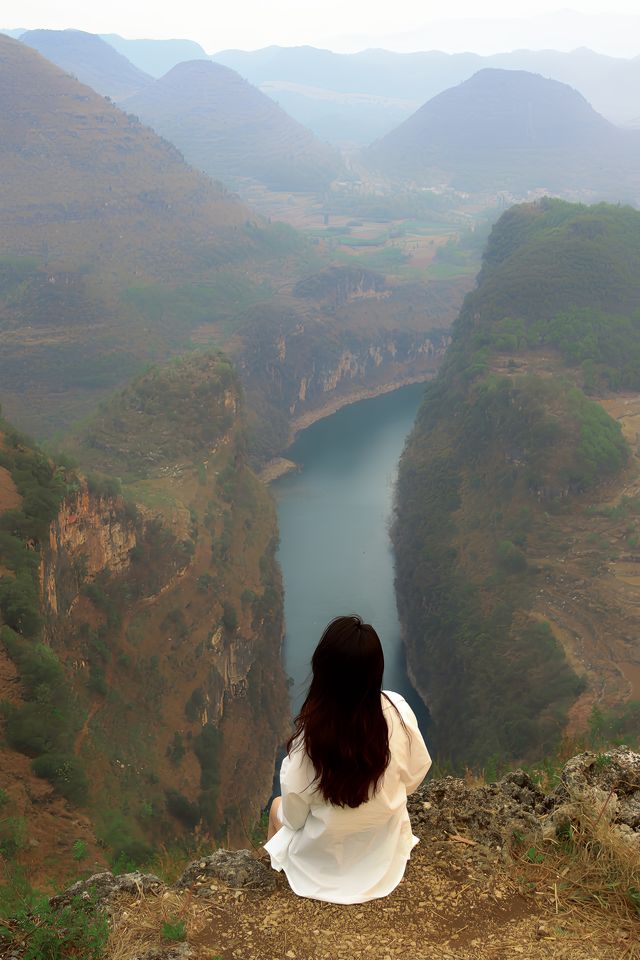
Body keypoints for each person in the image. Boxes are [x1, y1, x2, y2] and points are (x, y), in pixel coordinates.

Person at [264, 614, 431, 904]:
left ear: (324, 672)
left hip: (322, 870)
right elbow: (415, 776)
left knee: (276, 807)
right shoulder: (398, 712)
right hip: (384, 859)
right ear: (375, 671)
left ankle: (270, 883)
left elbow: (294, 818)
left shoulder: (311, 740)